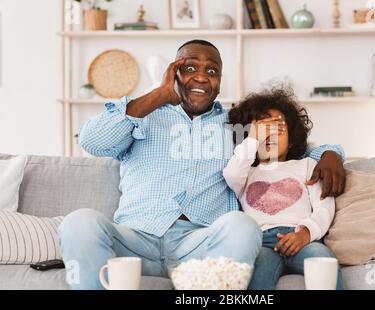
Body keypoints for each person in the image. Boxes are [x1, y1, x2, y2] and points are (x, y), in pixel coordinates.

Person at [58, 39, 346, 290]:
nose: (201, 77)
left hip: (202, 245)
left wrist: (331, 153)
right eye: (189, 68)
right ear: (174, 72)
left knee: (241, 226)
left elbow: (290, 148)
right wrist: (161, 95)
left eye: (212, 71)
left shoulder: (235, 125)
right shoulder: (145, 115)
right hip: (135, 240)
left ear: (220, 82)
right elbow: (93, 140)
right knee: (78, 223)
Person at [224, 88, 345, 290]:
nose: (269, 134)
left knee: (323, 259)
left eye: (277, 127)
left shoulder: (306, 165)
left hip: (302, 237)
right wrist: (253, 137)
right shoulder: (246, 173)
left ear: (292, 139)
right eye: (263, 128)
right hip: (261, 242)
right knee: (255, 275)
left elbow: (325, 206)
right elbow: (231, 173)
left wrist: (305, 233)